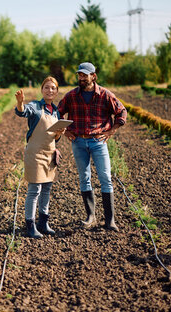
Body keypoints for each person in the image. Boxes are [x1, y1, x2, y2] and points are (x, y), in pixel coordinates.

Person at [57, 62, 127, 231]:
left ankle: (110, 221)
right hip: (78, 142)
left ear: (93, 76)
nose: (81, 78)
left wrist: (111, 131)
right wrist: (65, 132)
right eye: (79, 75)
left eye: (85, 75)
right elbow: (57, 114)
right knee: (84, 178)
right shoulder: (71, 96)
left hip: (98, 141)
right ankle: (91, 217)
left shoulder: (105, 95)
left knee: (105, 179)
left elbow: (122, 112)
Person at [15, 77, 65, 238]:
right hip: (35, 153)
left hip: (50, 153)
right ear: (42, 89)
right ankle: (30, 225)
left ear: (56, 91)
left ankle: (43, 223)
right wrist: (20, 103)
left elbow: (55, 138)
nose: (50, 90)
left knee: (47, 189)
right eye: (47, 87)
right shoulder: (35, 106)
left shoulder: (56, 111)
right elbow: (23, 112)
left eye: (53, 88)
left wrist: (59, 134)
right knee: (34, 189)